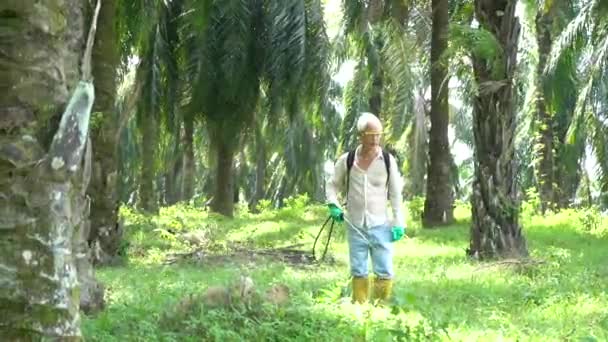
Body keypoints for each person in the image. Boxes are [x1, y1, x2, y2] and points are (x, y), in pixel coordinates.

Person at [326, 112, 405, 304]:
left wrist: (398, 222)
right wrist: (333, 204)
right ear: (361, 135)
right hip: (355, 225)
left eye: (378, 135)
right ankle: (359, 307)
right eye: (371, 136)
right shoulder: (348, 160)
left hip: (381, 224)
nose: (375, 140)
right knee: (358, 269)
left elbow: (395, 193)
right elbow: (332, 185)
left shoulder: (387, 161)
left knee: (384, 270)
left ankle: (381, 308)